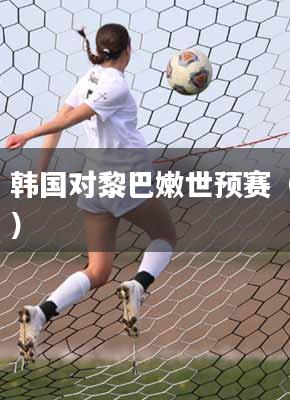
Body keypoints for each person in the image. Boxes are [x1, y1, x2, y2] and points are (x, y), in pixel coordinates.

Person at [6, 24, 177, 362]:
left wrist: (39, 171)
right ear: (129, 49)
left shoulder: (90, 77)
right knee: (165, 236)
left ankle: (40, 313)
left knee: (98, 271)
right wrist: (26, 134)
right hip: (124, 180)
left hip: (95, 185)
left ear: (101, 51)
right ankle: (138, 285)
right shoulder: (115, 86)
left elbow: (61, 117)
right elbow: (67, 121)